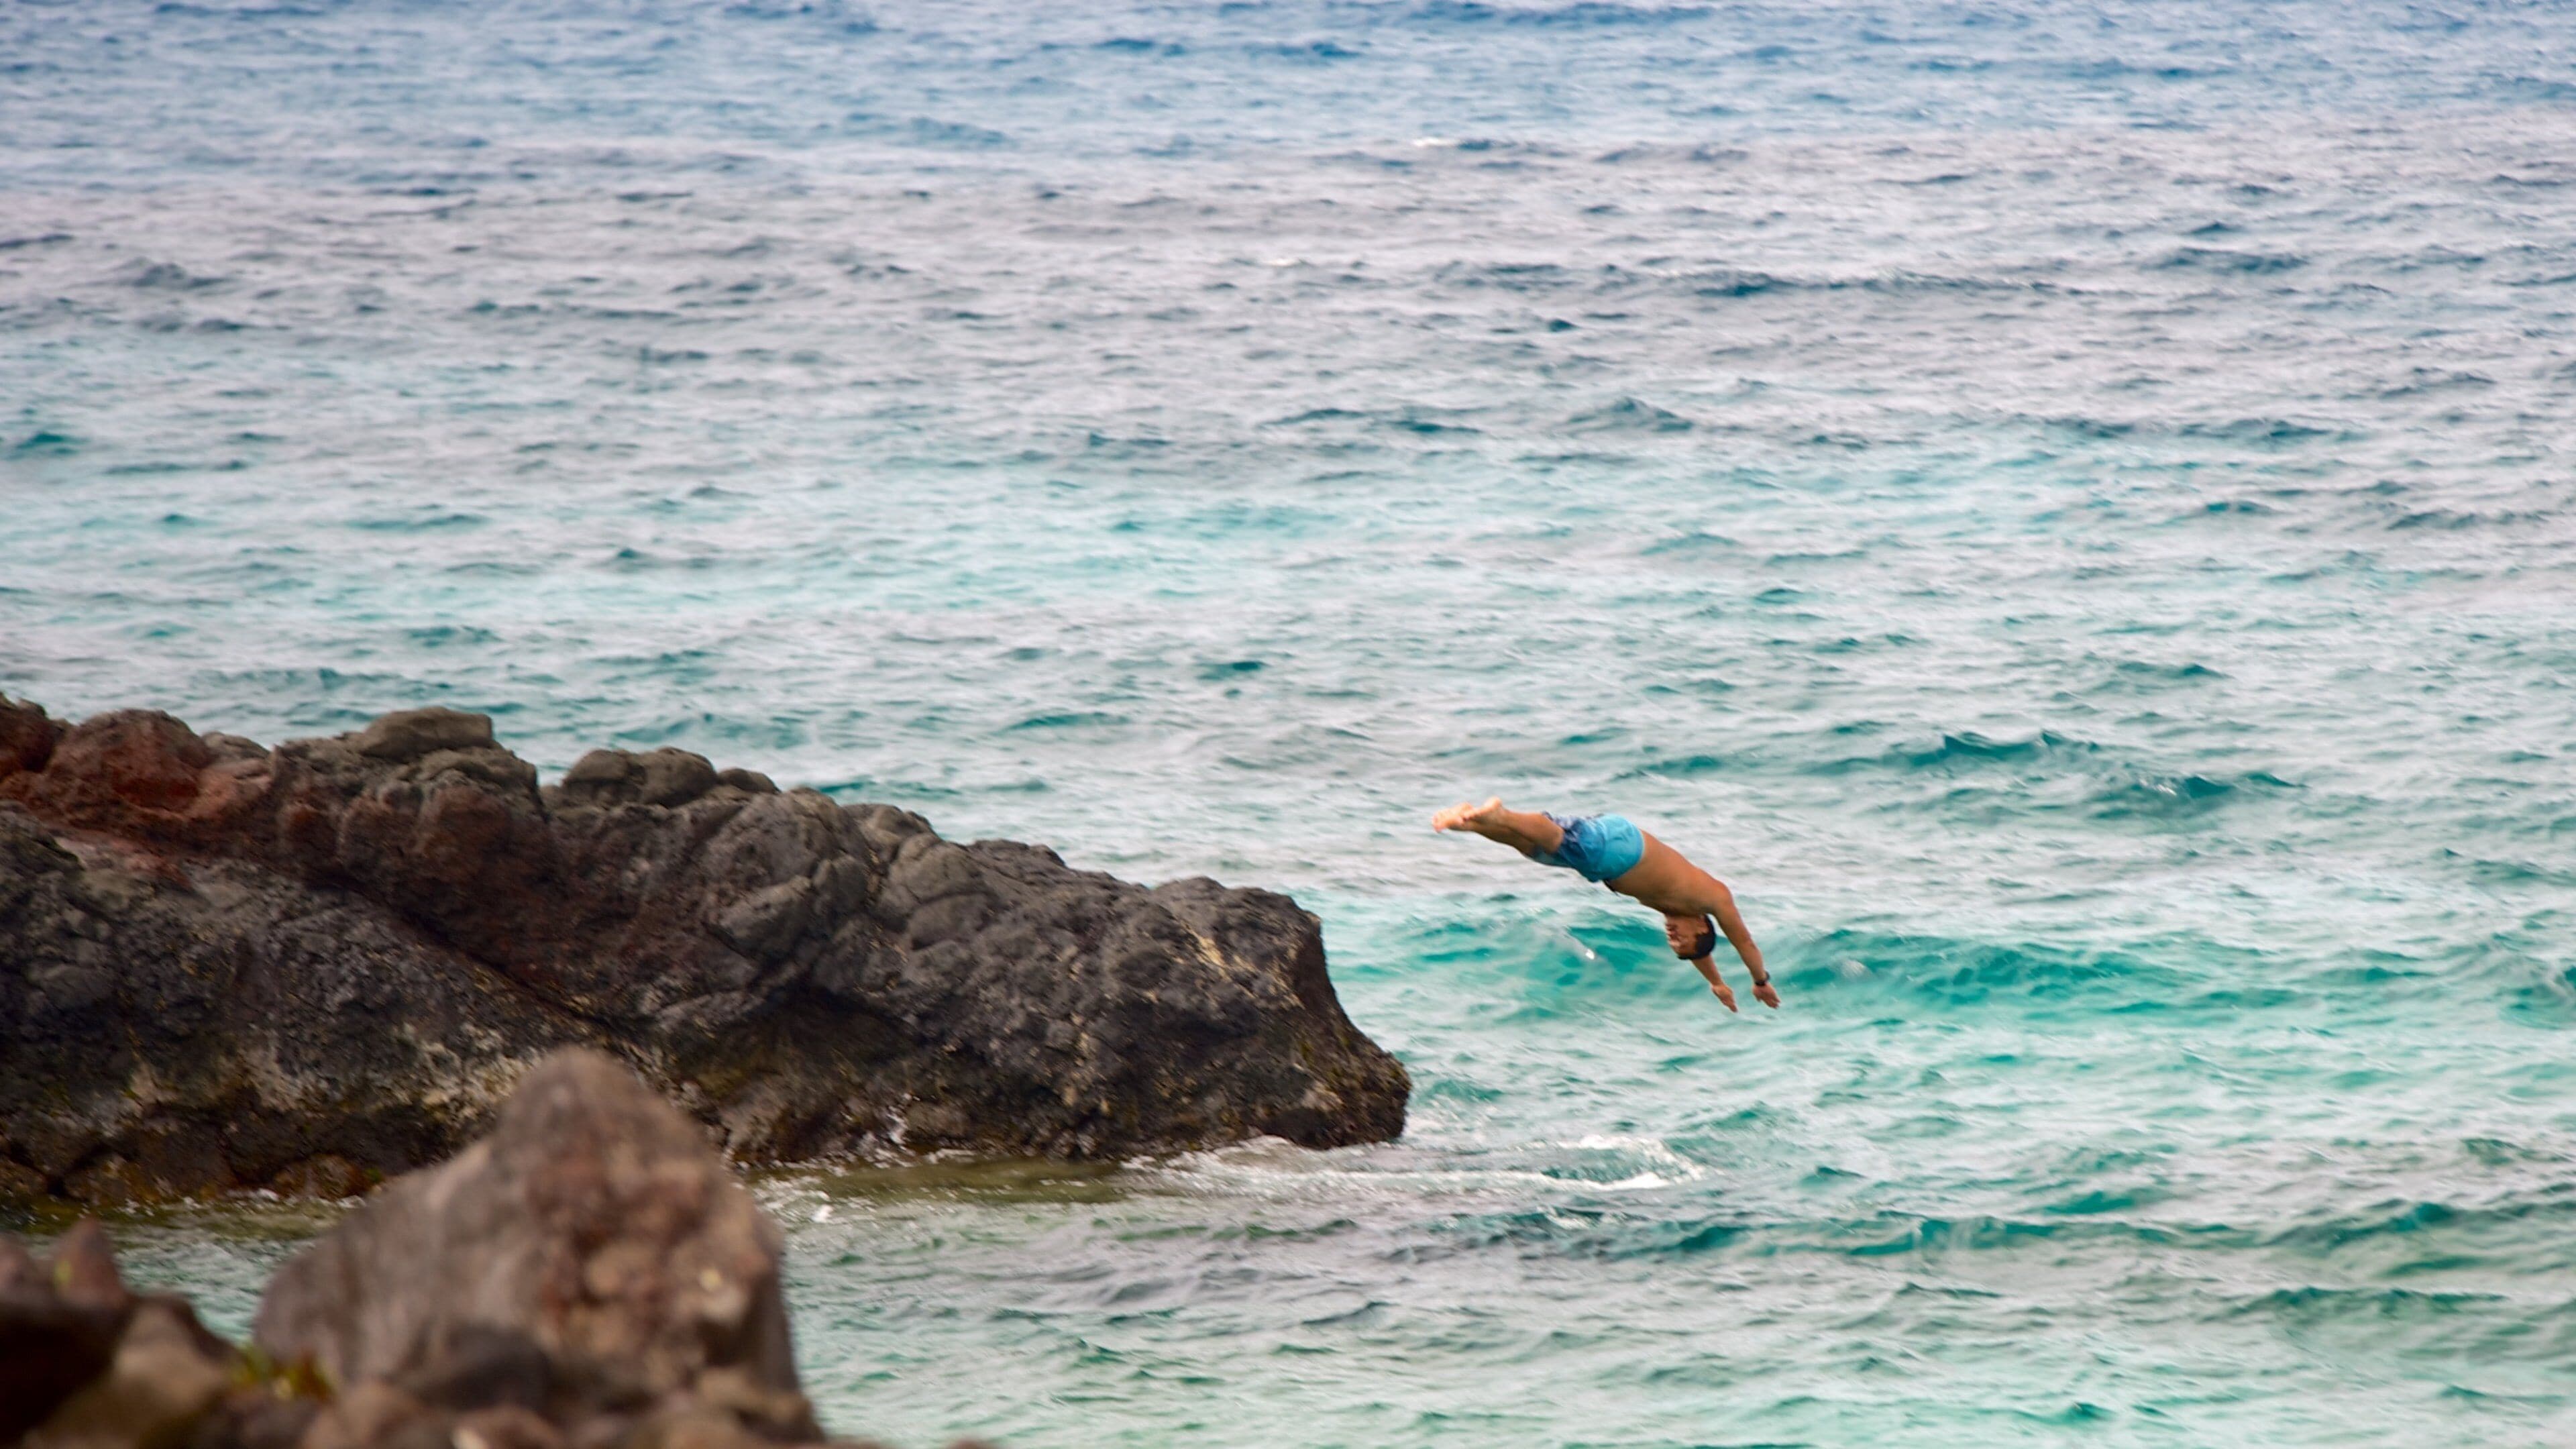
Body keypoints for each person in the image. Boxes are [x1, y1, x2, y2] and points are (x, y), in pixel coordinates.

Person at [1432, 798, 1778, 1012]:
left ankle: (1470, 821)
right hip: (1622, 850)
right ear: (1703, 925)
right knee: (1559, 838)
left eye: (1673, 942)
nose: (1671, 935)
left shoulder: (1675, 908)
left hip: (1608, 858)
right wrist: (1759, 980)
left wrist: (1716, 983)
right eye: (1680, 938)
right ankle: (1503, 815)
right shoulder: (1714, 897)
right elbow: (1743, 941)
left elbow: (1698, 951)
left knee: (1533, 850)